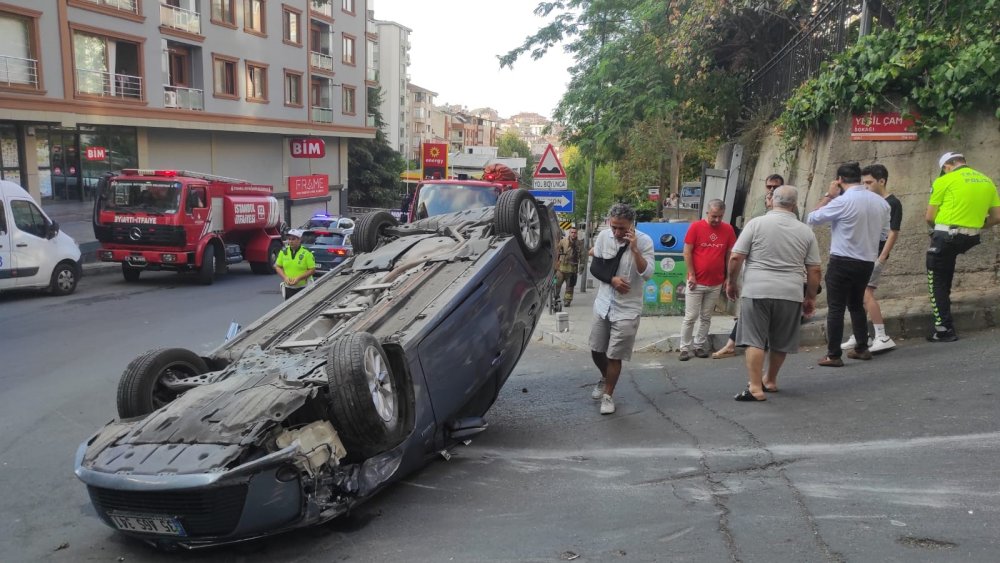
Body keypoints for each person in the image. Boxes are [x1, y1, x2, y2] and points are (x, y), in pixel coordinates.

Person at [726, 186, 822, 401]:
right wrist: (810, 297)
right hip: (790, 292)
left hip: (757, 290)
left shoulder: (756, 224)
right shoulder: (806, 231)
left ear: (771, 201)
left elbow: (735, 258)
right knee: (781, 341)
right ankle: (770, 379)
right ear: (795, 205)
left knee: (755, 340)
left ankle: (755, 388)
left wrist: (731, 282)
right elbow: (814, 269)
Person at [807, 162, 890, 367]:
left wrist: (829, 194)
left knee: (836, 307)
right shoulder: (882, 203)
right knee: (856, 304)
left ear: (840, 180)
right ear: (860, 179)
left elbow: (813, 218)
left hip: (842, 260)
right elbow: (883, 234)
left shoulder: (842, 201)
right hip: (866, 261)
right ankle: (862, 347)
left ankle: (833, 355)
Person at [925, 152, 1000, 342]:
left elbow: (929, 217)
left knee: (937, 280)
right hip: (971, 237)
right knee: (945, 273)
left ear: (946, 167)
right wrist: (976, 225)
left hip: (946, 235)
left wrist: (939, 230)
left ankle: (944, 330)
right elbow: (997, 216)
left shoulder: (945, 180)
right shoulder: (986, 181)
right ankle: (945, 315)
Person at [588, 203, 654, 415]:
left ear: (631, 225)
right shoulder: (603, 237)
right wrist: (611, 279)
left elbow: (648, 274)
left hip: (628, 308)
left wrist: (635, 250)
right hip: (603, 304)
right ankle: (605, 376)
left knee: (614, 355)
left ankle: (608, 395)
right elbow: (595, 267)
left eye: (622, 228)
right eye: (614, 226)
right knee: (597, 350)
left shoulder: (644, 241)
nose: (617, 232)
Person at [712, 174, 783, 359]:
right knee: (750, 307)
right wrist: (732, 280)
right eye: (769, 186)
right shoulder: (761, 202)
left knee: (766, 310)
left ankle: (752, 346)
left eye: (776, 187)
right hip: (759, 264)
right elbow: (754, 225)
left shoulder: (789, 205)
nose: (772, 190)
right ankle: (732, 343)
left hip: (779, 266)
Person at [842, 164, 902, 352]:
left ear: (881, 181)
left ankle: (882, 336)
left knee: (865, 294)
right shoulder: (871, 201)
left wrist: (882, 256)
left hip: (876, 255)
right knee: (857, 295)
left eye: (869, 182)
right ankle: (861, 334)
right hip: (864, 254)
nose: (865, 186)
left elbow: (893, 232)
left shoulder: (892, 203)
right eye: (863, 182)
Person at [679, 199, 736, 361]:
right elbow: (687, 252)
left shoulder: (728, 229)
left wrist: (728, 278)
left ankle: (699, 346)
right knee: (691, 316)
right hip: (696, 282)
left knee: (706, 316)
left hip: (716, 282)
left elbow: (729, 255)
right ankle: (684, 347)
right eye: (714, 216)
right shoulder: (696, 227)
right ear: (707, 213)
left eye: (720, 216)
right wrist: (692, 275)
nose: (717, 220)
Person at [275, 229, 316, 300]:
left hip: (303, 287)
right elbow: (278, 267)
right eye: (289, 239)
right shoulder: (283, 252)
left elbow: (312, 270)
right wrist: (285, 277)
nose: (291, 241)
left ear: (299, 240)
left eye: (293, 239)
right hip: (288, 287)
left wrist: (298, 278)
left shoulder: (306, 253)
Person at [555, 227, 584, 306]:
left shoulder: (580, 243)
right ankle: (555, 298)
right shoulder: (563, 241)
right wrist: (555, 264)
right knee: (557, 284)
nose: (573, 234)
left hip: (572, 270)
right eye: (572, 232)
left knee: (570, 287)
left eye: (575, 232)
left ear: (577, 234)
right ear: (569, 233)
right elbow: (557, 252)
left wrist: (582, 265)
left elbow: (582, 255)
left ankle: (567, 300)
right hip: (561, 268)